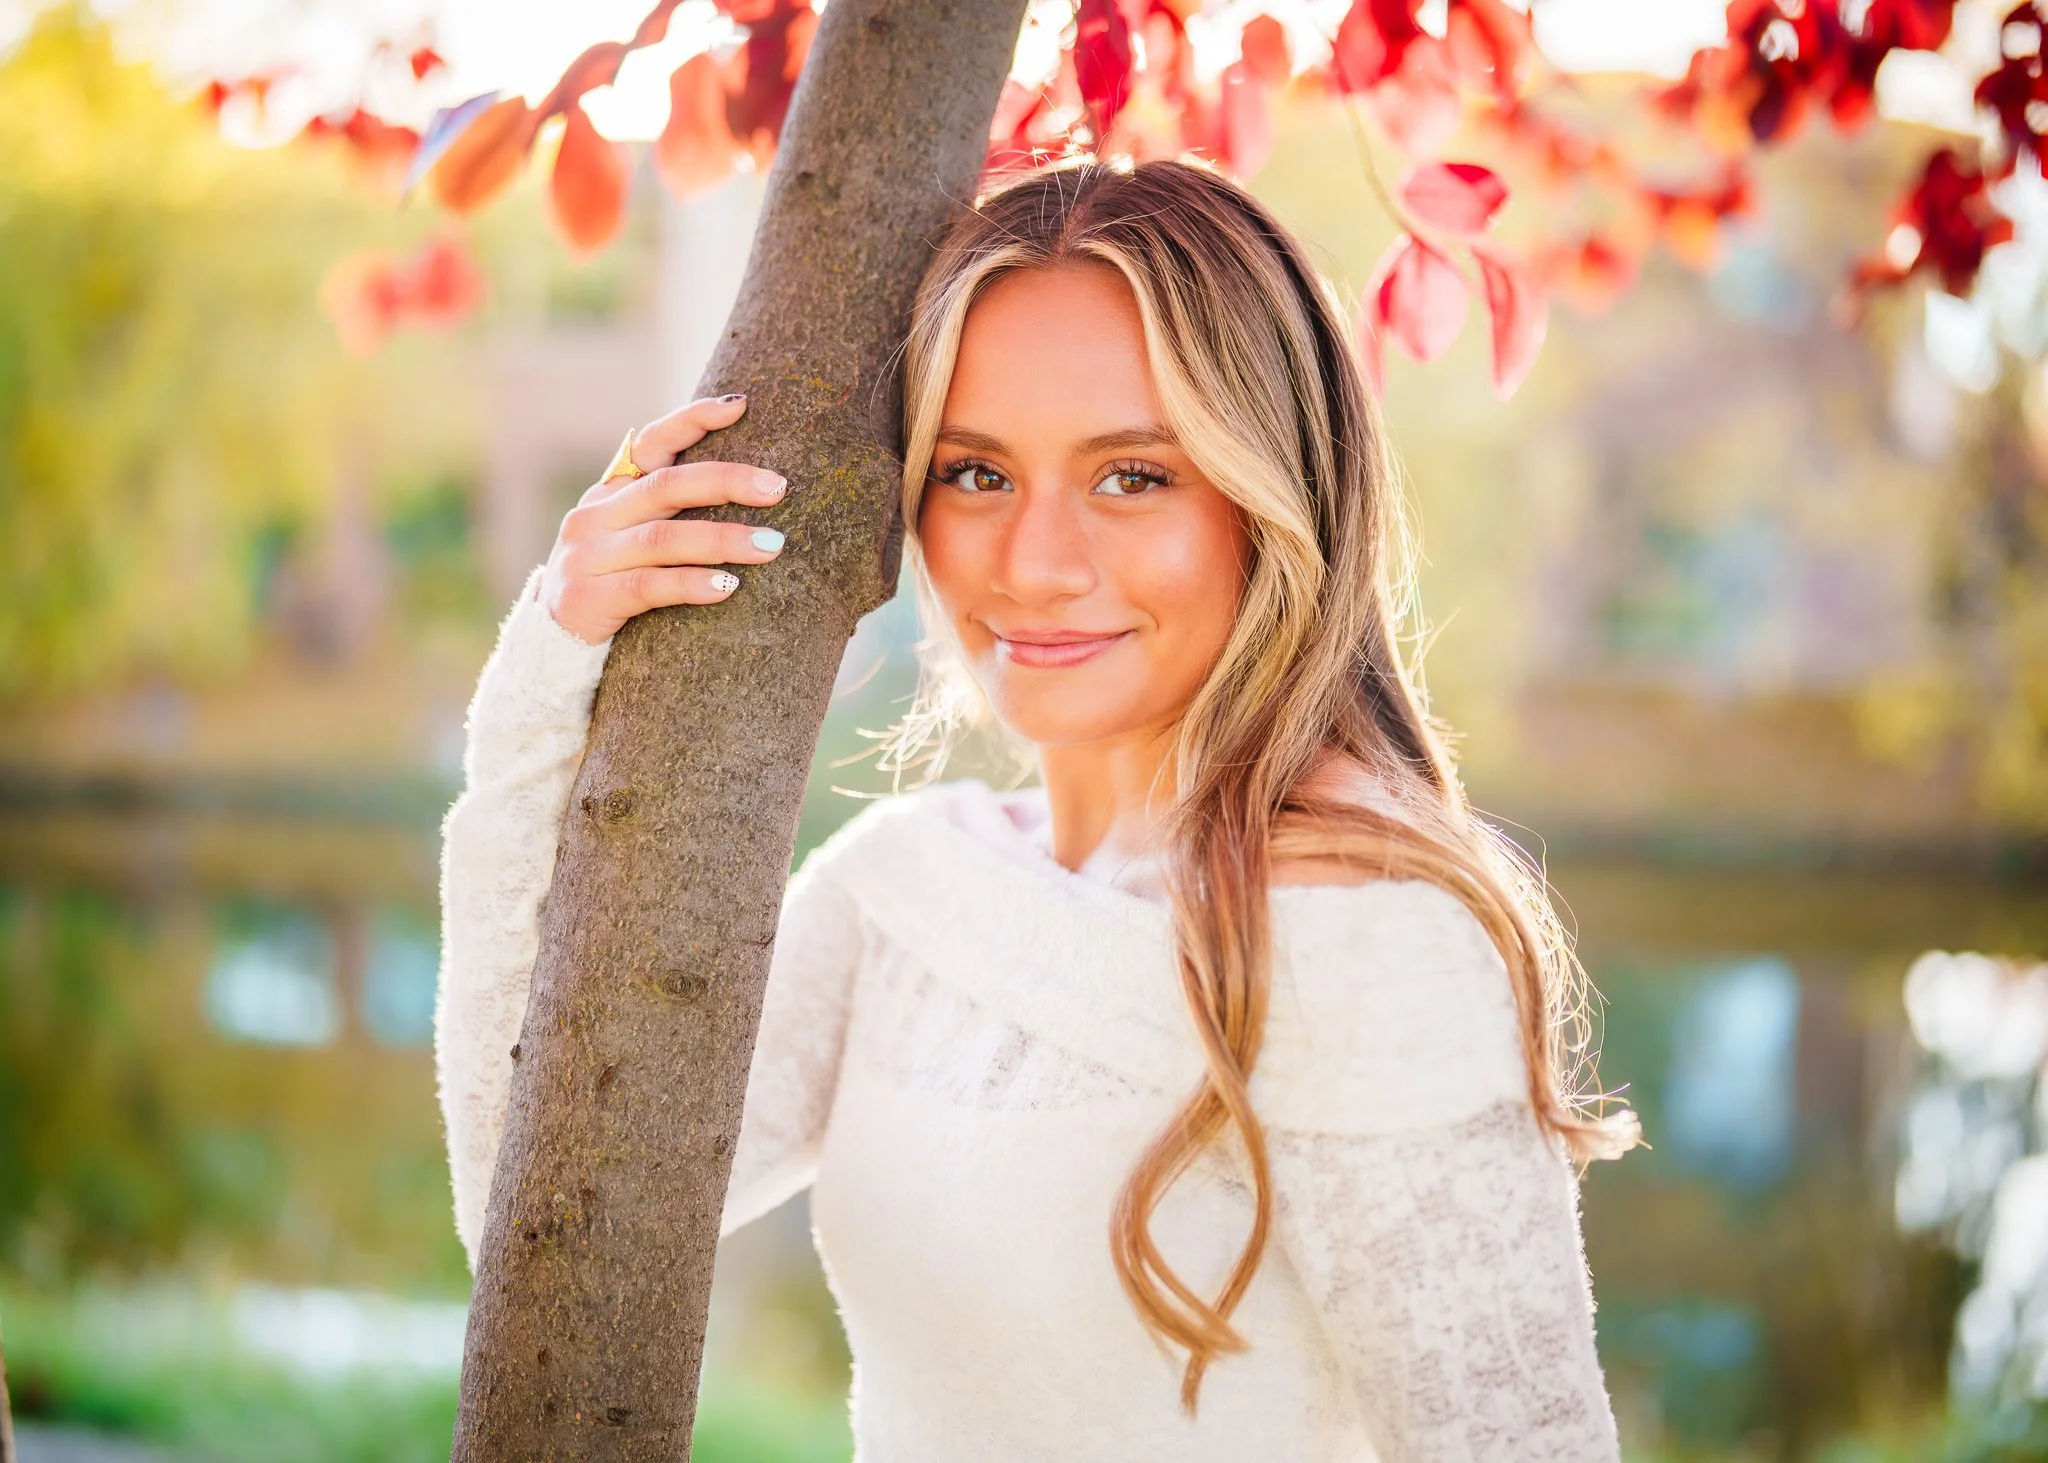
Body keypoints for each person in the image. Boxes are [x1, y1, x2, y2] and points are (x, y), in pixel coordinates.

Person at [436, 158, 1640, 1461]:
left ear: (1274, 494)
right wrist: (553, 660)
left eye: (1133, 476)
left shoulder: (1362, 928)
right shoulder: (912, 884)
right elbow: (543, 1212)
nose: (1034, 564)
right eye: (975, 474)